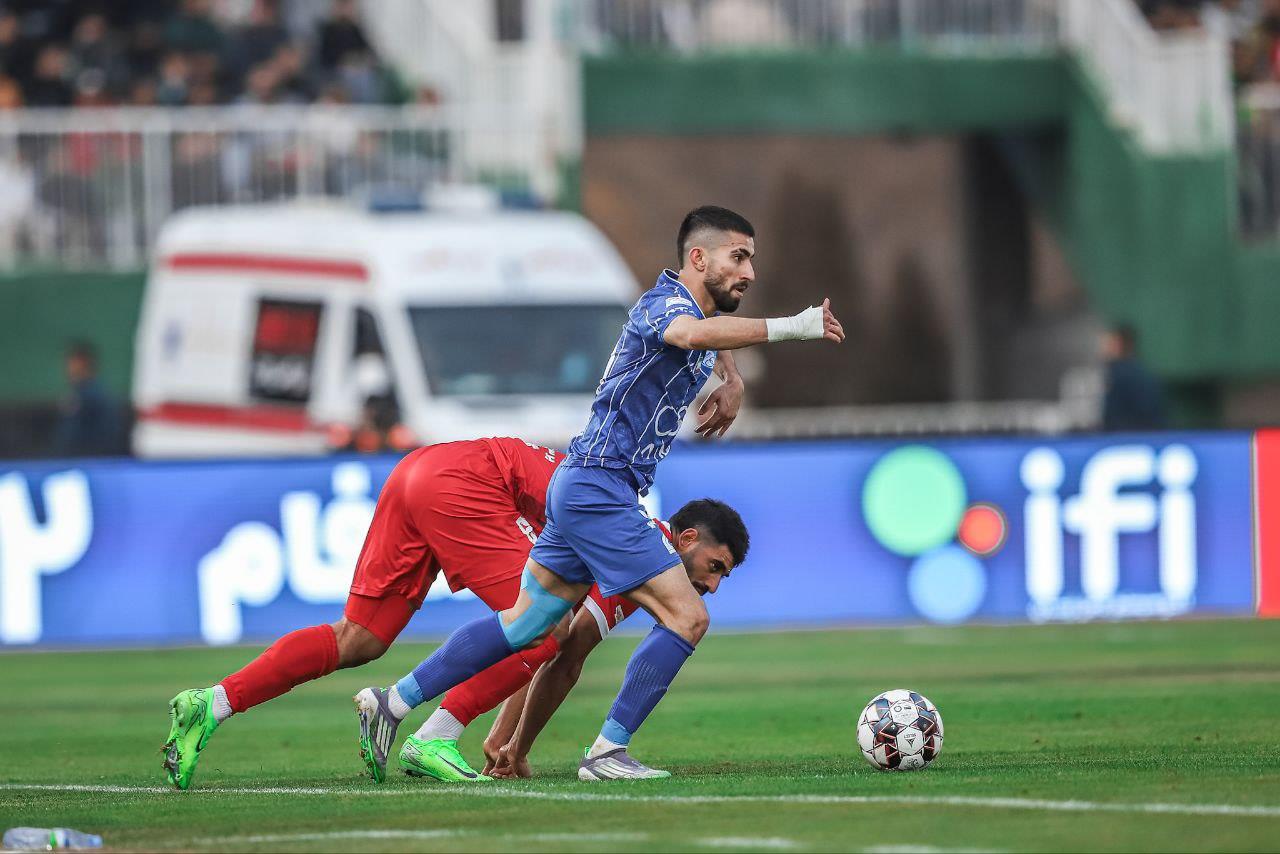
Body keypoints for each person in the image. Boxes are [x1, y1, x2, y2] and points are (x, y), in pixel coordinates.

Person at [357, 205, 844, 781]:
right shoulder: (665, 306)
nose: (750, 272)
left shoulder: (695, 310)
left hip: (584, 483)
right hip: (601, 487)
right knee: (687, 617)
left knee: (525, 626)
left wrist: (732, 377)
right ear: (697, 258)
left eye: (751, 260)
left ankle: (395, 706)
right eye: (738, 257)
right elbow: (690, 332)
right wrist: (793, 326)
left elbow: (707, 327)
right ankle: (606, 752)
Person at [159, 435, 742, 789]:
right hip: (470, 484)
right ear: (685, 539)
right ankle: (431, 735)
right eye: (714, 567)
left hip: (420, 470)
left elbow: (561, 653)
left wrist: (512, 745)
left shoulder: (624, 531)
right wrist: (514, 746)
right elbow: (562, 653)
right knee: (543, 626)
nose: (710, 587)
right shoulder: (640, 546)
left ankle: (212, 703)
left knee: (359, 638)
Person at [54, 340, 120, 457]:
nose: (69, 368)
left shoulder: (94, 395)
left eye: (74, 363)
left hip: (90, 460)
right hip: (73, 459)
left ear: (84, 364)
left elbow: (105, 435)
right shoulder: (78, 392)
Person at [1101, 323, 1167, 431]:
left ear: (1119, 344)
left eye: (1109, 343)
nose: (1104, 348)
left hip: (1127, 435)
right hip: (1149, 433)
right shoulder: (1144, 373)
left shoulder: (1119, 374)